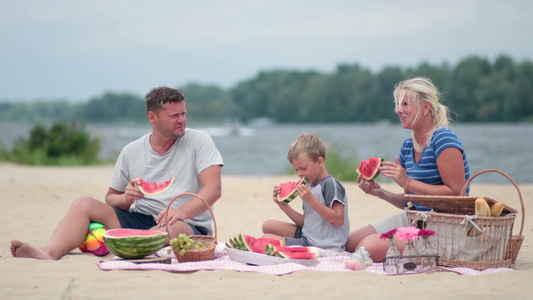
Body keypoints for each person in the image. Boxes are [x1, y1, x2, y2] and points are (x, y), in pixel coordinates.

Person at [11, 86, 224, 260]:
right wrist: (125, 198)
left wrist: (182, 212)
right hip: (139, 219)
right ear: (153, 117)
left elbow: (213, 189)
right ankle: (48, 253)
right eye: (174, 115)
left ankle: (130, 245)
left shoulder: (199, 141)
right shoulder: (131, 151)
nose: (182, 120)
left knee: (174, 226)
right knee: (82, 203)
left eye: (183, 114)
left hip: (187, 224)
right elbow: (111, 197)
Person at [345, 77, 470, 261]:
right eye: (397, 104)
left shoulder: (443, 139)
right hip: (414, 219)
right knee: (349, 243)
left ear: (425, 107)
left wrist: (408, 182)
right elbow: (411, 202)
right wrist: (380, 193)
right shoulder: (407, 147)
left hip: (444, 227)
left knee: (367, 246)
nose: (398, 110)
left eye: (405, 104)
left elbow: (457, 194)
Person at [261, 133, 350, 252]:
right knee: (268, 225)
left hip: (322, 244)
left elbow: (338, 219)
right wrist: (283, 205)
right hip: (310, 235)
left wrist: (310, 200)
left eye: (303, 168)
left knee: (264, 239)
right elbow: (307, 222)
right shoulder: (309, 185)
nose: (299, 174)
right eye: (296, 170)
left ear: (320, 161)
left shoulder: (330, 184)